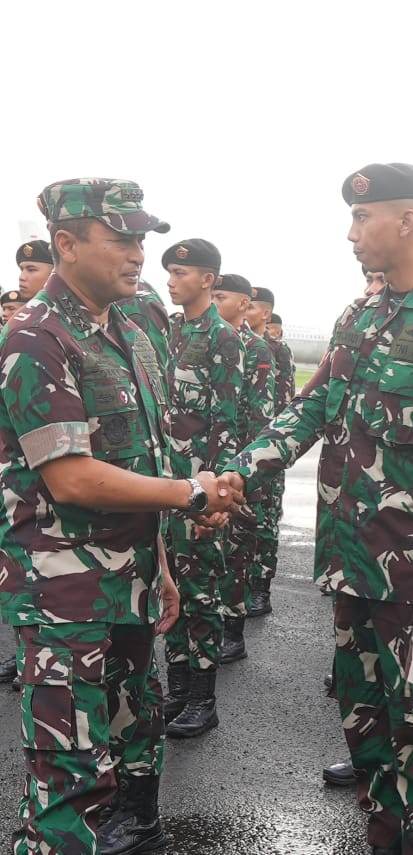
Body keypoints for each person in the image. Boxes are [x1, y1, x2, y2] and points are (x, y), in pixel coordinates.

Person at [224, 162, 413, 855]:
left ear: (407, 220)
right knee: (369, 735)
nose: (350, 233)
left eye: (362, 218)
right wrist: (234, 473)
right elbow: (315, 408)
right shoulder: (358, 316)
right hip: (352, 570)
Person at [0, 177, 242, 854]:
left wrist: (162, 565)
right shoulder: (37, 340)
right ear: (67, 243)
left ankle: (136, 834)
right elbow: (72, 478)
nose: (138, 254)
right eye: (121, 238)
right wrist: (188, 493)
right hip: (66, 595)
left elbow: (145, 454)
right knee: (70, 778)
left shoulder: (133, 336)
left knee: (137, 735)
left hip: (130, 581)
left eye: (142, 238)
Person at [160, 238, 245, 740]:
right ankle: (177, 689)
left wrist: (211, 494)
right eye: (168, 271)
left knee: (201, 590)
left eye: (180, 272)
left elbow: (228, 421)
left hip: (199, 489)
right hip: (166, 486)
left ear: (207, 279)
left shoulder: (222, 337)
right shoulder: (170, 330)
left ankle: (203, 698)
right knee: (169, 587)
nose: (171, 279)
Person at [212, 273, 276, 664]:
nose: (215, 302)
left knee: (236, 550)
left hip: (241, 465)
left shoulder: (256, 348)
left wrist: (251, 473)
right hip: (205, 464)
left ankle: (232, 631)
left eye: (222, 296)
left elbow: (260, 415)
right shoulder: (205, 338)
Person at [245, 285, 294, 617]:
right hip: (243, 445)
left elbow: (287, 401)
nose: (245, 311)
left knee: (266, 521)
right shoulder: (239, 345)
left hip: (269, 444)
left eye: (252, 307)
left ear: (265, 313)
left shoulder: (278, 351)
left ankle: (260, 588)